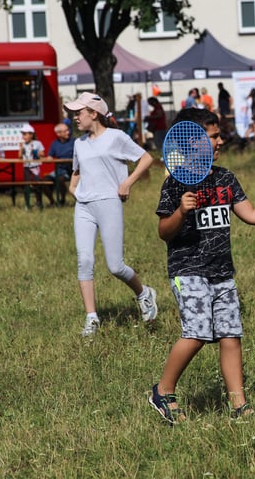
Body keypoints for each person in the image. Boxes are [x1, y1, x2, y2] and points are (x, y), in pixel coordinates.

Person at [148, 108, 255, 424]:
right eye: (214, 136)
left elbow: (250, 213)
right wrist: (181, 212)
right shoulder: (175, 184)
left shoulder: (225, 178)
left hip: (222, 271)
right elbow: (163, 232)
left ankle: (239, 404)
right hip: (188, 270)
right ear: (191, 141)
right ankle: (163, 390)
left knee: (230, 335)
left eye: (219, 135)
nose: (221, 141)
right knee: (197, 333)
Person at [64, 92, 157, 337]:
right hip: (84, 206)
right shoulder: (79, 143)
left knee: (115, 266)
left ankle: (144, 294)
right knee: (84, 261)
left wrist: (127, 183)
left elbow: (146, 159)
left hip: (109, 203)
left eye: (78, 113)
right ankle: (92, 318)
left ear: (93, 114)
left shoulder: (116, 138)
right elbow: (77, 170)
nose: (75, 118)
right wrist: (73, 189)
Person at [43, 123, 75, 206]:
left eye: (68, 130)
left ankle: (62, 200)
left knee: (60, 179)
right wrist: (48, 158)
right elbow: (50, 156)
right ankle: (52, 201)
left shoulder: (74, 142)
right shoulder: (55, 143)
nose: (68, 132)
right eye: (65, 131)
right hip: (59, 169)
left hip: (71, 169)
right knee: (44, 181)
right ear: (58, 134)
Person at [19, 123, 45, 208]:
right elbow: (19, 157)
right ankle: (27, 204)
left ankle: (39, 203)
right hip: (26, 167)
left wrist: (37, 152)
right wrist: (20, 149)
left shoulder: (37, 143)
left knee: (37, 184)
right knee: (27, 185)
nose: (23, 137)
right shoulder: (23, 145)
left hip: (35, 167)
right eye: (23, 135)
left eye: (25, 134)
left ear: (31, 134)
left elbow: (42, 154)